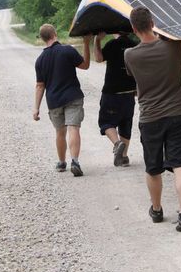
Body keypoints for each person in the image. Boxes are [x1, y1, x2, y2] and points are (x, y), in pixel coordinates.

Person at [124, 7, 181, 232]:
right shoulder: (173, 46)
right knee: (180, 163)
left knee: (153, 167)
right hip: (177, 112)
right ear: (153, 22)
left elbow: (133, 77)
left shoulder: (130, 55)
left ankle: (157, 209)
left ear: (133, 29)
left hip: (150, 117)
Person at [33, 24, 91, 177]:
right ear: (55, 34)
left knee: (60, 132)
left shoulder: (40, 60)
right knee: (73, 128)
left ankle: (61, 162)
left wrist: (36, 108)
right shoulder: (67, 50)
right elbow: (85, 65)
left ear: (42, 38)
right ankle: (75, 161)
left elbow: (40, 86)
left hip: (54, 101)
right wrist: (86, 44)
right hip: (72, 96)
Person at [94, 31, 138, 167]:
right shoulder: (134, 45)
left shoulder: (112, 44)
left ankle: (117, 143)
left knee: (106, 122)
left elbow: (99, 58)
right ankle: (123, 157)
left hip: (112, 92)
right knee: (126, 123)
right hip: (130, 92)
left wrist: (96, 41)